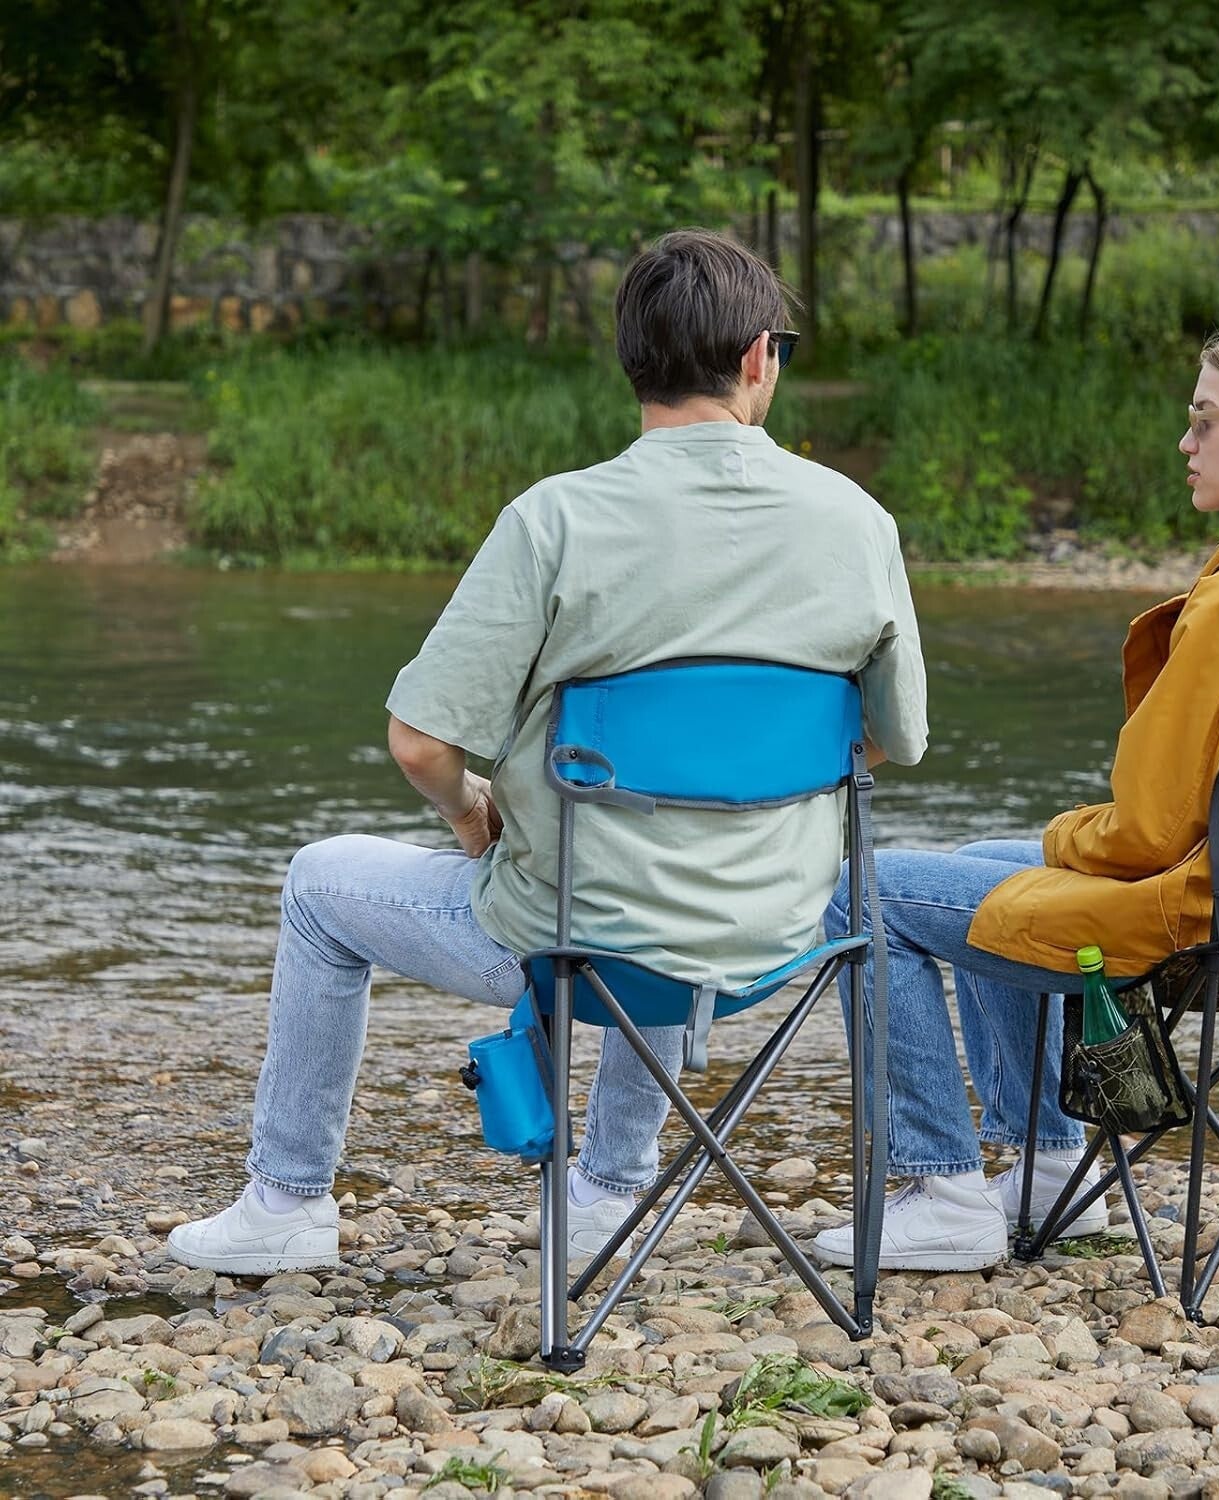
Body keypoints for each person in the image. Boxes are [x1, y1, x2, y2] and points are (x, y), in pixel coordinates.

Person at [167, 228, 928, 1277]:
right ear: (760, 357)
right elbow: (892, 739)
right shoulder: (857, 523)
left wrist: (473, 817)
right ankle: (612, 1185)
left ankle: (288, 1201)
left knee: (320, 885)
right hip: (773, 939)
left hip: (580, 943)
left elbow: (421, 741)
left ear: (632, 362)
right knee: (669, 840)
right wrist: (745, 785)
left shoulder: (555, 523)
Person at [813, 309, 1219, 1272]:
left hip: (1204, 914)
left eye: (1206, 420)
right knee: (975, 863)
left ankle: (940, 1186)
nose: (1185, 442)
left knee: (861, 889)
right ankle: (1043, 1169)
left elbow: (1147, 831)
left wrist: (1067, 834)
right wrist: (1059, 841)